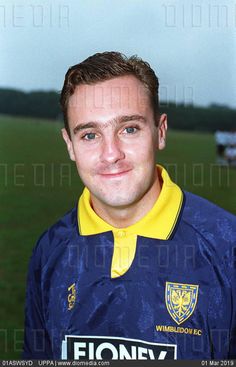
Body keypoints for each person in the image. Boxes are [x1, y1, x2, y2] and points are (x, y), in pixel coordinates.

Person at [23, 52, 236, 360]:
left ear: (160, 132)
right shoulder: (50, 250)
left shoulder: (226, 246)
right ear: (70, 144)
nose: (111, 154)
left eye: (129, 129)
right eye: (90, 134)